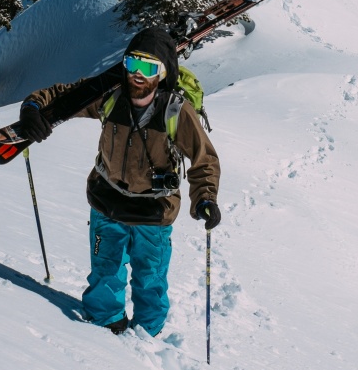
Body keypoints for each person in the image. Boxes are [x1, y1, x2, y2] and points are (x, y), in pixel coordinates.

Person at [18, 26, 220, 336]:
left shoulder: (175, 112)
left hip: (153, 213)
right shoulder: (109, 97)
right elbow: (64, 96)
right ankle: (103, 329)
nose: (138, 74)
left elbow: (204, 157)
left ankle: (147, 337)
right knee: (104, 274)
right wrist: (33, 107)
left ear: (162, 73)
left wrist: (205, 198)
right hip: (107, 203)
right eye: (132, 64)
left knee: (150, 280)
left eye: (148, 68)